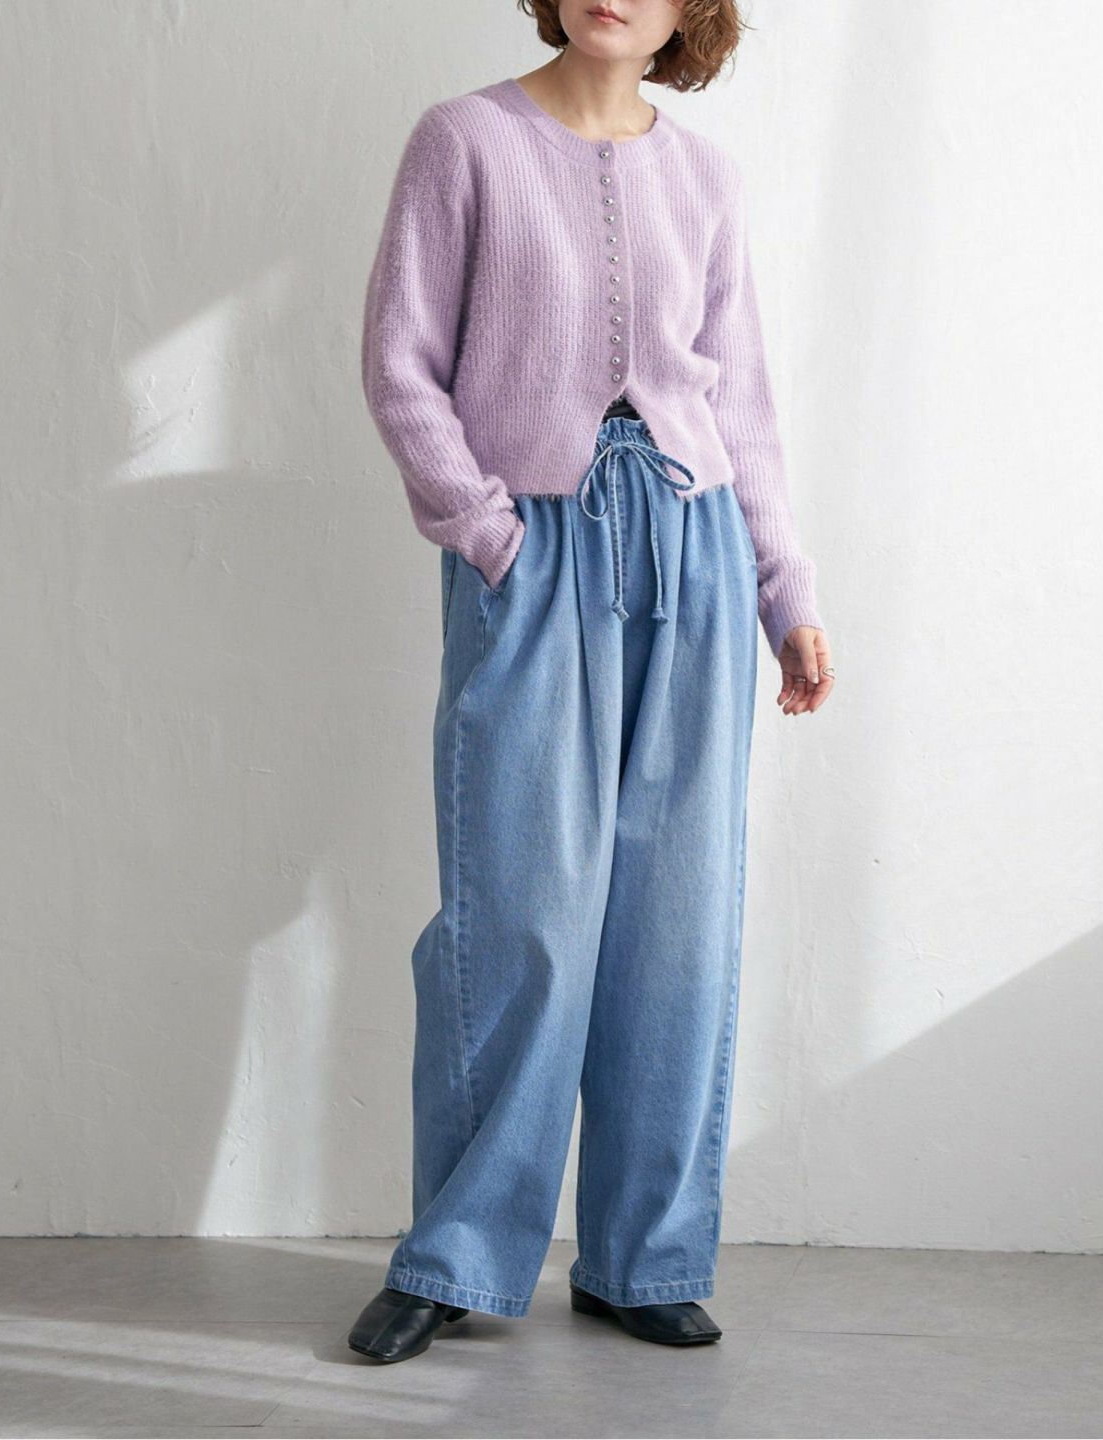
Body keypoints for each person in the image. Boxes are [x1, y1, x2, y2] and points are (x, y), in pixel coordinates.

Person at [350, 0, 836, 1364]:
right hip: (537, 552)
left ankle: (643, 1256)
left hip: (692, 546)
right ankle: (458, 1257)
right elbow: (400, 364)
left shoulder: (707, 178)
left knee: (678, 922)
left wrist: (786, 591)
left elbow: (742, 407)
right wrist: (490, 534)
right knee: (519, 917)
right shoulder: (464, 142)